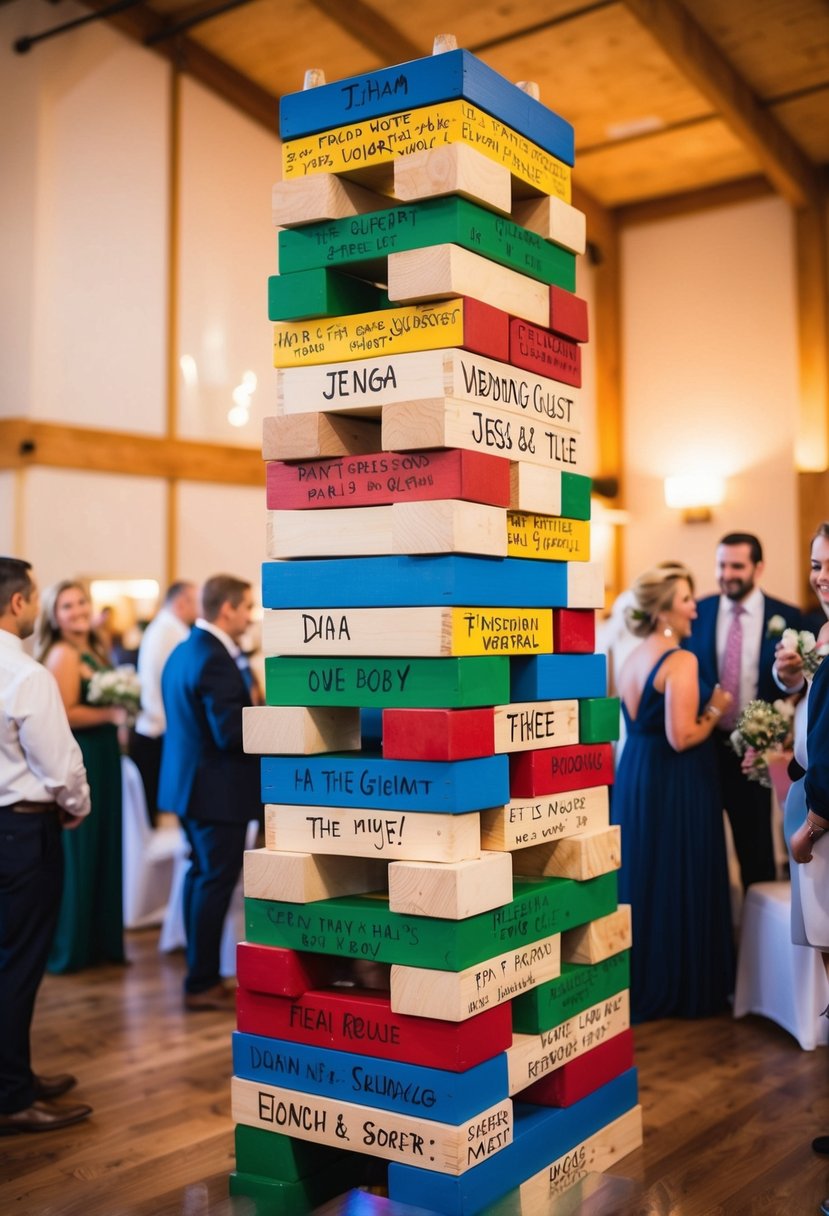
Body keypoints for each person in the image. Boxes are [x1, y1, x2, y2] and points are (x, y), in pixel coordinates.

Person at [611, 562, 734, 1021]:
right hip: (676, 779)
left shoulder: (631, 657)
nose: (694, 610)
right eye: (686, 600)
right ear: (664, 610)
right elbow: (681, 735)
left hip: (638, 772)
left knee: (647, 874)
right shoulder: (681, 660)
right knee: (679, 868)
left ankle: (644, 975)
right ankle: (683, 984)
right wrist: (716, 708)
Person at [0, 558, 93, 1133]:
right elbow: (60, 765)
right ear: (17, 604)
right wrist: (77, 806)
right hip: (22, 832)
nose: (35, 606)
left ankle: (16, 1074)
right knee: (18, 965)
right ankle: (12, 1098)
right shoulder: (25, 673)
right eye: (33, 596)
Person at [685, 531, 811, 892]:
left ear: (758, 568)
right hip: (703, 749)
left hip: (754, 755)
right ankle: (717, 936)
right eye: (721, 565)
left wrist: (775, 730)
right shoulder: (699, 611)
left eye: (737, 566)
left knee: (756, 851)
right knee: (703, 852)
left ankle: (757, 942)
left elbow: (800, 684)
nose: (727, 574)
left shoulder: (786, 616)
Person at [158, 574, 261, 1012]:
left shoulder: (185, 650)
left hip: (190, 786)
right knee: (213, 882)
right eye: (246, 607)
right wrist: (276, 723)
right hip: (216, 792)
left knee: (200, 877)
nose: (250, 615)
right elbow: (230, 732)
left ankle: (199, 973)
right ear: (227, 609)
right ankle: (201, 981)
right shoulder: (215, 658)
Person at [34, 581, 127, 973]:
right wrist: (112, 715)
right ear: (55, 615)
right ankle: (73, 945)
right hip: (85, 755)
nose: (77, 611)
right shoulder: (63, 654)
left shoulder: (95, 648)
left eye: (81, 602)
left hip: (106, 756)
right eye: (67, 605)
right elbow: (65, 713)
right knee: (83, 847)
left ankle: (100, 939)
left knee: (105, 843)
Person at [130, 581, 198, 826]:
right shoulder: (170, 631)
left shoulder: (166, 627)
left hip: (155, 729)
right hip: (157, 732)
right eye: (196, 601)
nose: (200, 608)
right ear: (180, 603)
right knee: (160, 818)